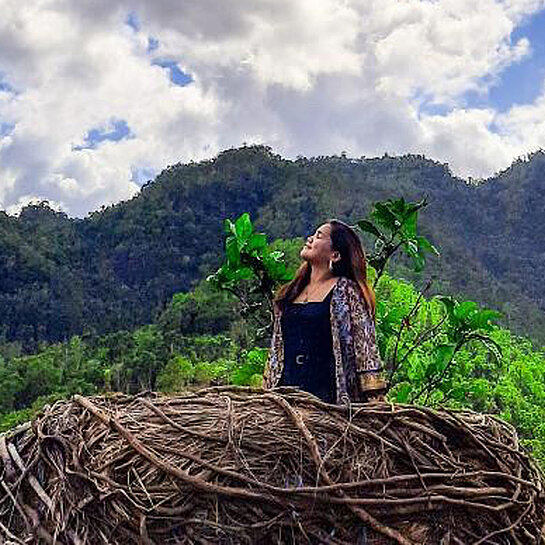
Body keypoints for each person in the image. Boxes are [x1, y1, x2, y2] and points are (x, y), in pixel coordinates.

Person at [262, 219, 387, 404]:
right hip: (285, 399)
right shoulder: (290, 292)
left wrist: (375, 399)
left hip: (328, 401)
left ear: (335, 255)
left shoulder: (346, 291)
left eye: (319, 235)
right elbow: (276, 350)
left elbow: (365, 347)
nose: (310, 238)